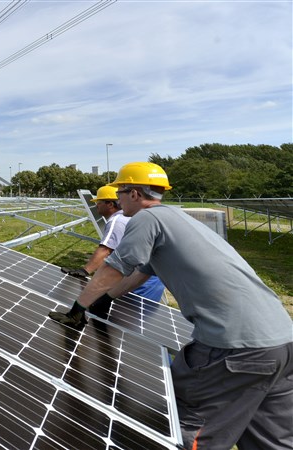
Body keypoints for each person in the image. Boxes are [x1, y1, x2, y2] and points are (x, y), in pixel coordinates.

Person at [48, 162, 293, 450]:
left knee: (188, 427)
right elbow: (141, 272)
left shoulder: (146, 219)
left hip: (233, 347)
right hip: (282, 340)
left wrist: (78, 308)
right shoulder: (175, 219)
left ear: (136, 194)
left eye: (120, 193)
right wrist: (105, 300)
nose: (117, 200)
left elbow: (115, 266)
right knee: (273, 438)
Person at [60, 185, 166, 302]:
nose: (96, 206)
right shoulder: (131, 216)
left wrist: (85, 270)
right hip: (152, 279)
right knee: (139, 316)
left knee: (124, 315)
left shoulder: (117, 220)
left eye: (99, 203)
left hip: (137, 282)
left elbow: (105, 250)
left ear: (110, 204)